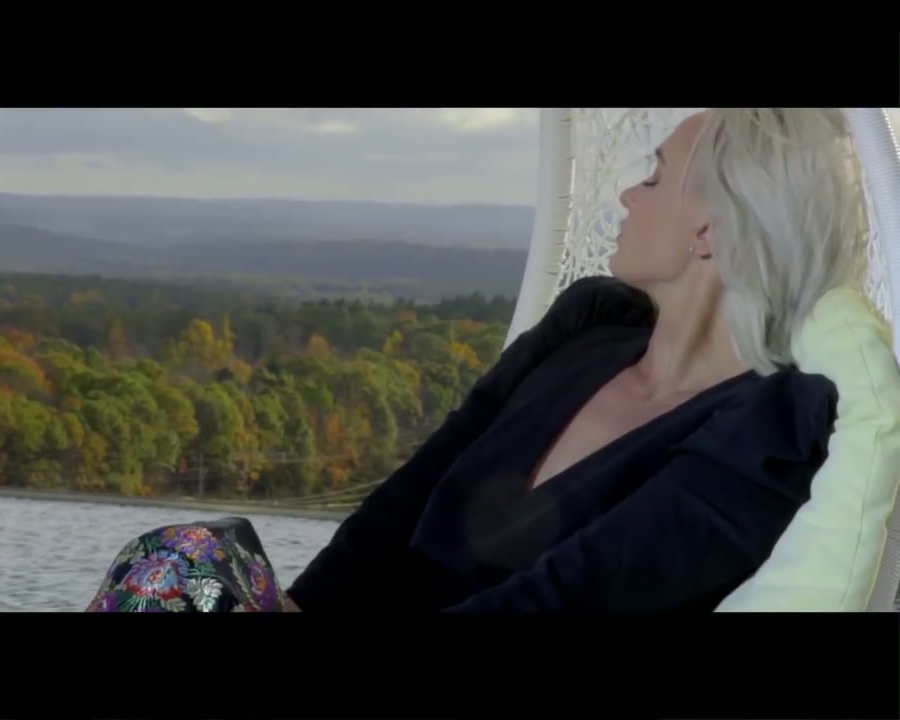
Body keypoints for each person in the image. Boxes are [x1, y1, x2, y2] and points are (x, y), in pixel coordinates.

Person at [86, 108, 862, 613]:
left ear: (711, 231)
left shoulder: (764, 427)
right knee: (182, 558)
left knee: (176, 572)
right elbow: (401, 504)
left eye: (655, 177)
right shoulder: (591, 328)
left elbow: (576, 599)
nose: (630, 196)